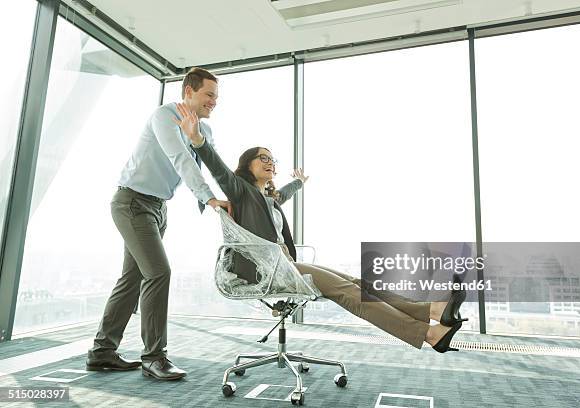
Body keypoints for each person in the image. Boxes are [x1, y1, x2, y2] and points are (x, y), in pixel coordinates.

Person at [173, 103, 466, 353]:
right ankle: (428, 334)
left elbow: (282, 195)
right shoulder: (240, 190)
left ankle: (433, 312)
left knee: (356, 284)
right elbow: (217, 168)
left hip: (285, 265)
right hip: (268, 272)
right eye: (262, 158)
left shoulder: (268, 199)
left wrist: (298, 182)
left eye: (272, 159)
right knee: (347, 292)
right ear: (247, 164)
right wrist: (198, 140)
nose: (269, 163)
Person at [86, 69, 231, 380]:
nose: (214, 102)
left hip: (157, 208)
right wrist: (208, 199)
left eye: (216, 97)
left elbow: (211, 165)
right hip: (131, 203)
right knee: (158, 272)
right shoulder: (164, 116)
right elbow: (180, 158)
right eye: (209, 95)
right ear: (189, 92)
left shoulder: (204, 130)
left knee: (132, 279)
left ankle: (102, 353)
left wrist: (232, 196)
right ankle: (154, 357)